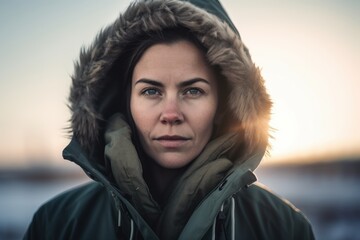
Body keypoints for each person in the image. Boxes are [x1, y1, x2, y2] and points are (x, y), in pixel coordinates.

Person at [24, 0, 315, 239]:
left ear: (223, 105)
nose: (172, 114)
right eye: (151, 90)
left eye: (193, 90)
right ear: (126, 103)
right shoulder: (58, 225)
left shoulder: (282, 228)